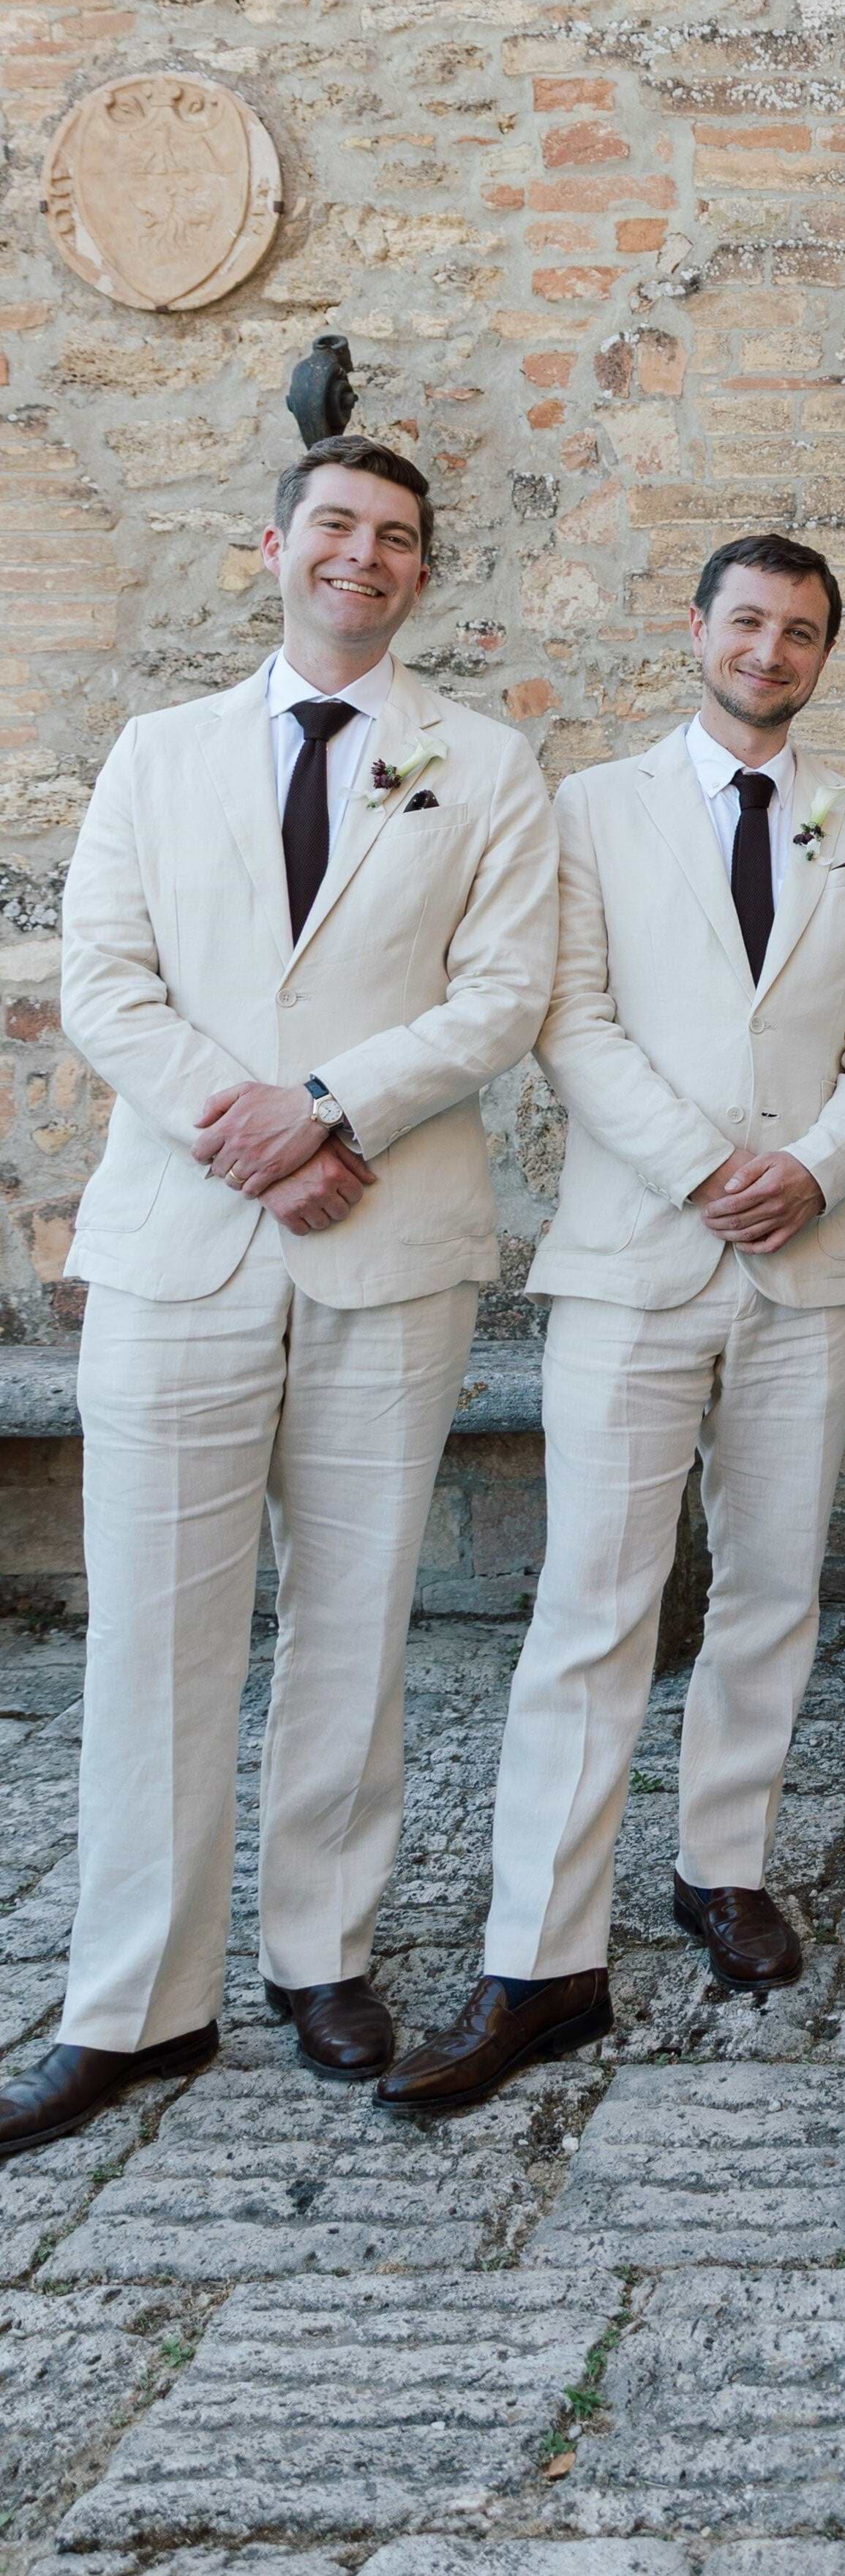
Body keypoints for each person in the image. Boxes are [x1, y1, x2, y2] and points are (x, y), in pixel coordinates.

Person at [0, 444, 557, 2161]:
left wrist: (329, 1111)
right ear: (274, 546)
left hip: (385, 1231)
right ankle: (135, 2004)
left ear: (422, 571)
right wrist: (243, 1135)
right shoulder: (158, 752)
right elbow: (104, 978)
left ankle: (324, 1953)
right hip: (182, 1240)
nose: (362, 555)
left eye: (396, 536)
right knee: (152, 1628)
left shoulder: (488, 763)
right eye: (335, 526)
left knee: (355, 1611)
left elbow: (502, 995)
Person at [380, 534, 845, 2115]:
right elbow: (569, 1014)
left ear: (824, 654)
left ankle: (723, 1865)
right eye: (747, 621)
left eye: (800, 630)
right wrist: (704, 1167)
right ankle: (540, 1957)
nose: (769, 649)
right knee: (595, 1604)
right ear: (697, 630)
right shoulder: (591, 809)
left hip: (808, 1255)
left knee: (773, 1583)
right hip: (635, 1257)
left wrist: (812, 1167)